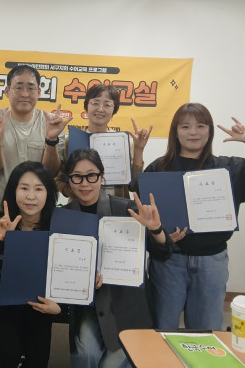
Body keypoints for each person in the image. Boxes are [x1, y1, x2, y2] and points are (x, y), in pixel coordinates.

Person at [145, 103, 245, 330]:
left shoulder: (229, 168)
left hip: (212, 262)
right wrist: (160, 235)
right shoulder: (158, 168)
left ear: (209, 131)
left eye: (200, 126)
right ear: (175, 132)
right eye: (185, 126)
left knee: (206, 332)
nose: (193, 132)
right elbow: (146, 216)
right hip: (169, 261)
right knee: (162, 328)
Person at [63, 149, 172, 368]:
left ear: (101, 177)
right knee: (85, 355)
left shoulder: (127, 210)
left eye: (91, 175)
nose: (84, 183)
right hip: (92, 304)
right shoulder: (65, 216)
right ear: (69, 180)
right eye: (77, 177)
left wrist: (156, 229)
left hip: (127, 302)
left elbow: (163, 252)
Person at [0, 161, 61, 368]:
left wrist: (59, 306)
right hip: (4, 306)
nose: (31, 196)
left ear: (49, 193)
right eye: (24, 188)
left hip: (41, 307)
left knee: (37, 360)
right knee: (7, 356)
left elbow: (64, 277)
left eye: (39, 189)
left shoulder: (57, 230)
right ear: (13, 191)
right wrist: (6, 241)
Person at [0, 64, 71, 224]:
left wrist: (51, 140)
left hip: (36, 218)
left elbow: (50, 173)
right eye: (18, 88)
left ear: (39, 92)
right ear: (7, 91)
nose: (25, 94)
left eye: (31, 88)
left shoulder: (50, 122)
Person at [56, 84, 152, 200]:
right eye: (95, 103)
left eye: (107, 104)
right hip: (81, 208)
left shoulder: (123, 143)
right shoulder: (71, 141)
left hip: (117, 207)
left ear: (114, 109)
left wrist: (139, 150)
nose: (100, 109)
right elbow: (59, 179)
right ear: (87, 106)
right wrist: (71, 191)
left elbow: (134, 186)